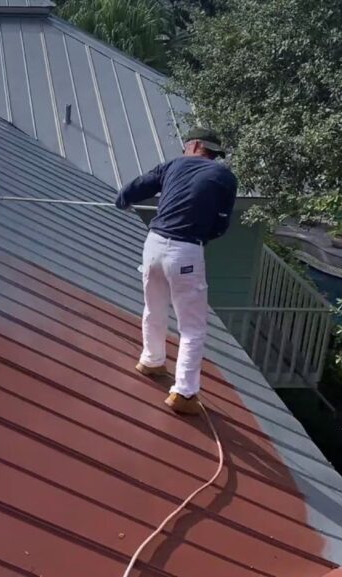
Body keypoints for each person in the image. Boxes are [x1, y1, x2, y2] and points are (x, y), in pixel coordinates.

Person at [115, 127, 238, 416]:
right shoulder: (225, 178)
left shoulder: (173, 165)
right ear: (211, 152)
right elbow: (221, 225)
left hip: (153, 244)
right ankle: (183, 393)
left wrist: (120, 202)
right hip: (186, 251)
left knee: (154, 307)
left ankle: (152, 360)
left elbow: (134, 189)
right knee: (192, 327)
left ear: (193, 145)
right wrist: (204, 233)